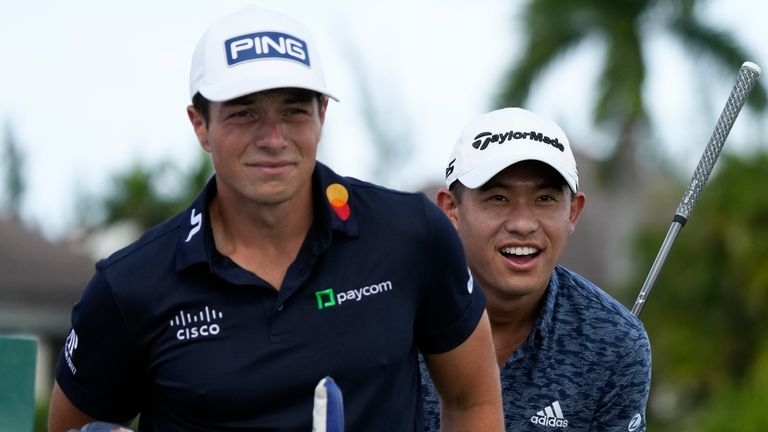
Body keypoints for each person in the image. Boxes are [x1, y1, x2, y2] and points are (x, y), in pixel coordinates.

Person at [48, 6, 504, 431]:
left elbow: (472, 400)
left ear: (322, 114)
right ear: (200, 124)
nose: (273, 138)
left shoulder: (410, 234)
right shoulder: (130, 286)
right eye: (244, 113)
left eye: (294, 110)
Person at [421, 108, 652, 431]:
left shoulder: (616, 341)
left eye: (544, 198)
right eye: (498, 198)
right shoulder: (392, 314)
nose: (523, 224)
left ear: (573, 212)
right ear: (451, 209)